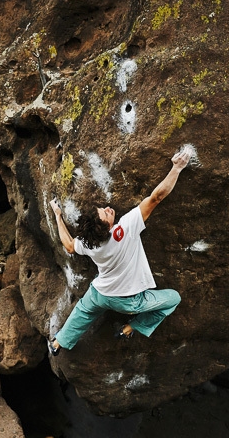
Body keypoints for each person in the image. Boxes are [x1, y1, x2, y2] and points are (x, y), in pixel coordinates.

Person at [48, 148, 192, 355]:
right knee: (173, 298)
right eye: (104, 213)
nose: (107, 208)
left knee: (82, 312)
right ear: (107, 227)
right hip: (127, 300)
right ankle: (130, 328)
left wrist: (57, 216)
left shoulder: (89, 243)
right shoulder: (125, 229)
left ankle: (57, 343)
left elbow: (69, 245)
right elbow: (156, 197)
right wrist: (177, 168)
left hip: (99, 293)